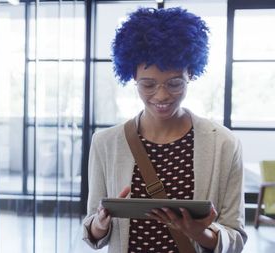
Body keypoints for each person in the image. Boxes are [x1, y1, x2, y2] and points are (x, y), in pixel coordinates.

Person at [82, 7, 247, 253]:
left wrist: (200, 233)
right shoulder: (106, 143)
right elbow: (92, 229)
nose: (161, 95)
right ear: (132, 76)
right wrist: (100, 222)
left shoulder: (223, 143)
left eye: (174, 83)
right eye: (148, 84)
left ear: (190, 73)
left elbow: (236, 237)